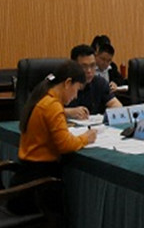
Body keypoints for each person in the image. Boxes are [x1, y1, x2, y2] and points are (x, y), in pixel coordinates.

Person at [8, 60, 97, 215]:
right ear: (68, 83)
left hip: (25, 178)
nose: (76, 96)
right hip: (37, 186)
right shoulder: (52, 106)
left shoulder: (43, 98)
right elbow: (65, 145)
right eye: (76, 90)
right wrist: (85, 138)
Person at [64, 44, 122, 119]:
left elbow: (117, 105)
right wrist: (68, 112)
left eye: (92, 65)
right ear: (73, 66)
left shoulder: (99, 82)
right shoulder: (63, 84)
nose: (89, 71)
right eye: (84, 66)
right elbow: (49, 110)